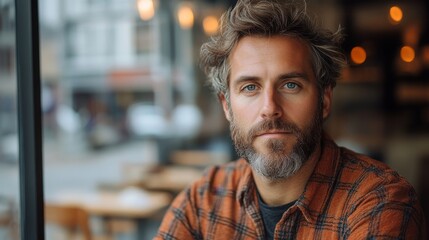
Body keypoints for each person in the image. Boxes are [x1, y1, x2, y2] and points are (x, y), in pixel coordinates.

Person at [155, 0, 426, 239]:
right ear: (227, 106)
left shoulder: (379, 200)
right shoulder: (203, 200)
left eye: (290, 85)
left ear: (325, 100)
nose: (270, 108)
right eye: (250, 87)